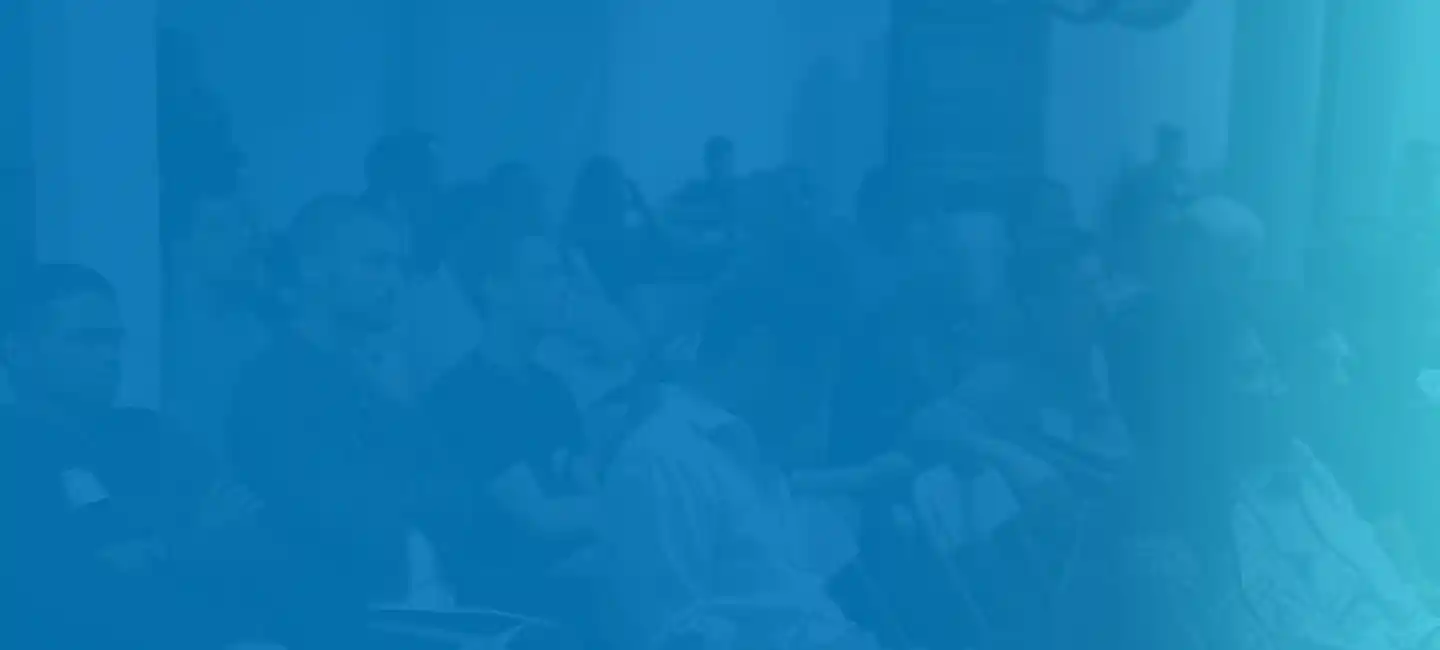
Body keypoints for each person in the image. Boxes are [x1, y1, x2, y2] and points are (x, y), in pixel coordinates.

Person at [0, 263, 296, 650]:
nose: (110, 356)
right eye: (87, 340)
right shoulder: (13, 454)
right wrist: (186, 542)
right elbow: (57, 594)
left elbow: (253, 537)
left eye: (114, 340)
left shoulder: (149, 434)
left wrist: (149, 553)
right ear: (17, 352)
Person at [600, 255, 882, 650]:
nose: (818, 406)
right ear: (758, 353)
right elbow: (668, 637)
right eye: (816, 380)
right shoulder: (661, 461)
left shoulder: (749, 455)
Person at [227, 196, 464, 621]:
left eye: (399, 266)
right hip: (348, 620)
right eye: (375, 263)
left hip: (429, 608)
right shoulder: (273, 385)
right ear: (312, 270)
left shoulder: (375, 383)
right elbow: (333, 522)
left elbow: (455, 502)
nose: (393, 281)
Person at [421, 209, 598, 620]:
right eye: (547, 274)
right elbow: (540, 519)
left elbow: (592, 491)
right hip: (508, 608)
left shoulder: (553, 389)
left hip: (576, 585)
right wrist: (622, 510)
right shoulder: (460, 398)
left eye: (563, 273)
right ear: (496, 288)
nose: (564, 287)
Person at [163, 190, 272, 456]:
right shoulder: (158, 336)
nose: (241, 241)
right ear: (180, 246)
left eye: (243, 227)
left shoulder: (259, 335)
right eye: (218, 229)